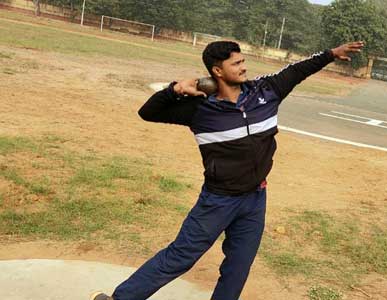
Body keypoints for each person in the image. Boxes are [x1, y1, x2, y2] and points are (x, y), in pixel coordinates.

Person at [91, 40, 364, 300]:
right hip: (218, 200)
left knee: (238, 267)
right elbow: (147, 112)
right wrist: (174, 89)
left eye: (243, 61)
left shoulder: (267, 91)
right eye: (236, 64)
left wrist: (330, 54)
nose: (244, 67)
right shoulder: (198, 108)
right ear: (217, 71)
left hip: (255, 199)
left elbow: (297, 70)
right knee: (181, 256)